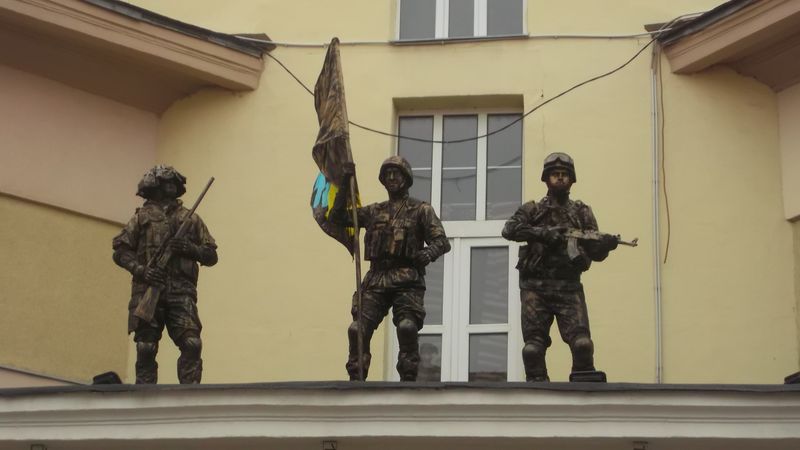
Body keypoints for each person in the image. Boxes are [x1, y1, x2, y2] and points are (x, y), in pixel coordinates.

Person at [502, 153, 618, 382]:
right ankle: (537, 388)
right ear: (546, 179)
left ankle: (584, 386)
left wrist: (606, 246)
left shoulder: (581, 213)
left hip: (568, 287)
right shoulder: (533, 210)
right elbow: (509, 230)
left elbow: (594, 252)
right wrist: (542, 234)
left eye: (565, 175)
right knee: (532, 350)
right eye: (555, 175)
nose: (560, 179)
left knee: (583, 345)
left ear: (572, 180)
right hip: (535, 288)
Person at [333, 156, 450, 381]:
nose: (392, 178)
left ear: (406, 179)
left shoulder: (421, 210)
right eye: (388, 174)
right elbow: (339, 217)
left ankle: (408, 376)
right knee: (356, 330)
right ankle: (356, 377)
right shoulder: (374, 211)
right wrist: (344, 180)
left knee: (406, 327)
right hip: (376, 278)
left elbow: (441, 241)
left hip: (407, 278)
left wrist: (428, 253)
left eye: (397, 174)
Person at [112, 165, 217, 384]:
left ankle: (190, 396)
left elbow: (211, 255)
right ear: (155, 185)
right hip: (147, 289)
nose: (171, 185)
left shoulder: (191, 219)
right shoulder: (142, 217)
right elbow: (121, 251)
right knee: (146, 347)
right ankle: (144, 399)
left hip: (181, 292)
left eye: (174, 181)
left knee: (192, 344)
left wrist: (188, 248)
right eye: (165, 181)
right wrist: (143, 271)